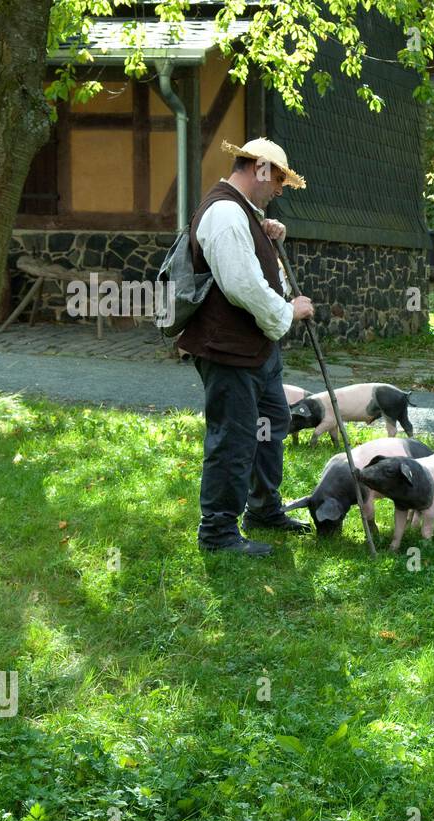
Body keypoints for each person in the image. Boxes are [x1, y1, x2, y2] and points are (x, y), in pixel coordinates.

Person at [176, 138, 316, 556]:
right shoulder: (223, 213)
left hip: (255, 349)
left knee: (271, 424)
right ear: (258, 168)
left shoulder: (244, 214)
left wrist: (269, 235)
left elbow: (254, 266)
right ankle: (218, 533)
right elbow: (242, 286)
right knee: (233, 440)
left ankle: (262, 508)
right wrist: (289, 312)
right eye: (277, 179)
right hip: (227, 350)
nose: (279, 189)